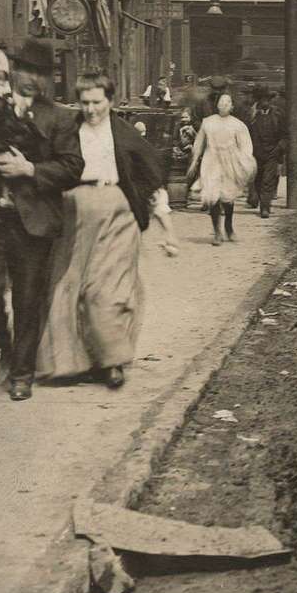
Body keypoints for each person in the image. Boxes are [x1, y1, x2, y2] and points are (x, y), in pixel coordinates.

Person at [0, 39, 84, 400]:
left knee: (28, 299)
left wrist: (29, 168)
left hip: (34, 219)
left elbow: (73, 167)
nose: (32, 79)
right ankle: (7, 349)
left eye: (41, 73)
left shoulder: (60, 117)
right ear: (14, 70)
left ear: (49, 78)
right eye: (26, 70)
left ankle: (22, 373)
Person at [37, 72, 179, 388]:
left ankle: (113, 361)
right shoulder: (66, 132)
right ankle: (72, 363)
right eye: (84, 102)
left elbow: (151, 181)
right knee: (68, 286)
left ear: (110, 101)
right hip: (73, 211)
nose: (90, 109)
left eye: (97, 102)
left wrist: (167, 229)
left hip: (118, 212)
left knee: (109, 288)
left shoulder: (125, 135)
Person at [186, 91, 256, 246]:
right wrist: (194, 162)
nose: (224, 105)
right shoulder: (208, 122)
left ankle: (229, 227)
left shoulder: (238, 125)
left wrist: (244, 162)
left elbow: (246, 146)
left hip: (230, 163)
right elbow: (199, 144)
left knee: (228, 197)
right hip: (212, 161)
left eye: (227, 103)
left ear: (231, 106)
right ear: (217, 105)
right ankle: (217, 232)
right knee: (212, 197)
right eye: (221, 103)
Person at [245, 85, 286, 218]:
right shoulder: (251, 116)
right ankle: (258, 199)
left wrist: (279, 148)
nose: (265, 103)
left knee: (268, 180)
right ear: (258, 101)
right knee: (257, 179)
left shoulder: (278, 114)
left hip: (272, 153)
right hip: (254, 153)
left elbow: (285, 134)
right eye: (262, 100)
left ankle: (265, 207)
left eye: (267, 100)